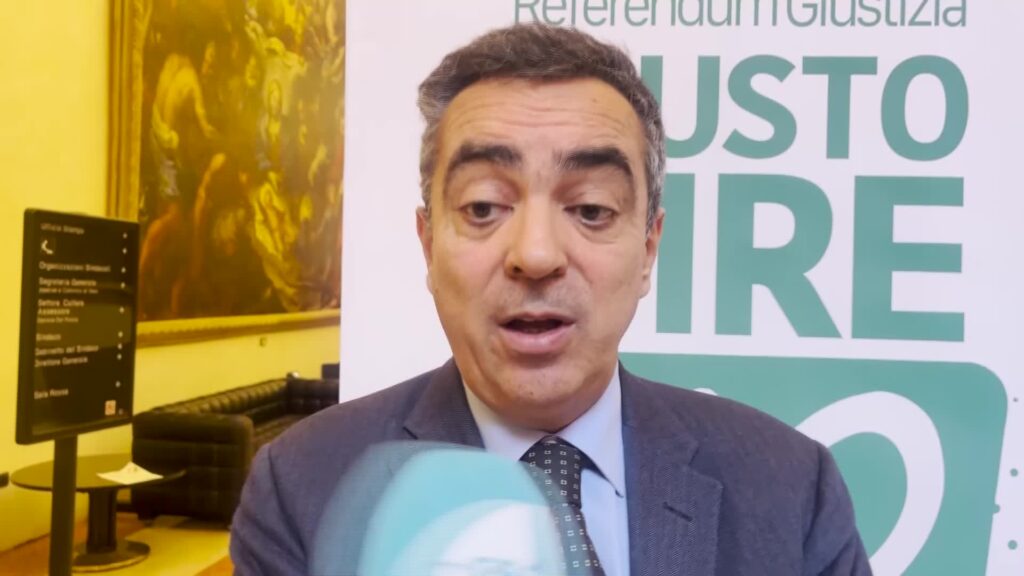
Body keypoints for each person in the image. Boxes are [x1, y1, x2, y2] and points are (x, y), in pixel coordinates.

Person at [230, 23, 871, 575]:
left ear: (649, 249)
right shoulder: (303, 486)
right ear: (427, 244)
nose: (535, 255)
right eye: (484, 206)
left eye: (590, 209)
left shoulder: (790, 487)